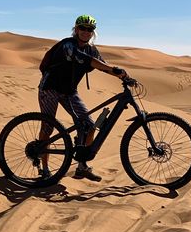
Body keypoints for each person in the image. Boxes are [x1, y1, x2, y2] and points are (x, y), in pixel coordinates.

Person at [37, 14, 128, 182]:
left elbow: (103, 66)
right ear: (76, 29)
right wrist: (114, 69)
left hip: (69, 91)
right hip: (50, 88)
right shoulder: (68, 45)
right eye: (83, 28)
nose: (86, 32)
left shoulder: (91, 49)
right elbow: (87, 60)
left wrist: (122, 76)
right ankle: (44, 169)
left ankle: (82, 167)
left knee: (88, 125)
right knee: (48, 127)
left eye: (90, 29)